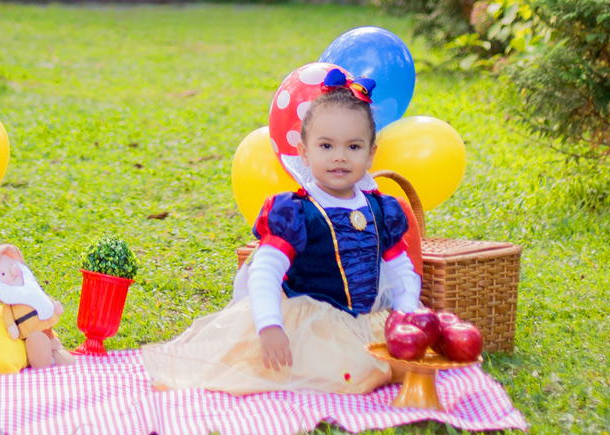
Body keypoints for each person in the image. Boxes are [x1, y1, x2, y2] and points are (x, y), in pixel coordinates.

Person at [142, 69, 421, 395]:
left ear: (371, 153)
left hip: (365, 320)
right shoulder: (297, 211)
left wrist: (407, 313)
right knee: (351, 372)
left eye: (354, 147)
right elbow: (265, 271)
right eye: (326, 145)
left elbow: (401, 270)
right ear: (304, 152)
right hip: (311, 323)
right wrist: (270, 325)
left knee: (410, 359)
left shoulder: (380, 209)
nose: (340, 156)